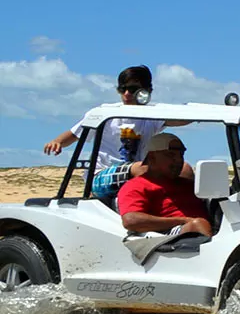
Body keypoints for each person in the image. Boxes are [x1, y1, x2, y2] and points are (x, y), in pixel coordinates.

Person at [41, 66, 182, 198]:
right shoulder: (106, 114)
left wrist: (196, 113)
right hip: (101, 176)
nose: (127, 94)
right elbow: (74, 134)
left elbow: (179, 120)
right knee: (144, 169)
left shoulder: (151, 116)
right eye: (122, 89)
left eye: (133, 89)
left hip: (137, 174)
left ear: (147, 90)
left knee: (184, 169)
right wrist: (57, 142)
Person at [117, 133, 212, 240]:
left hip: (200, 234)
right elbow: (131, 221)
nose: (179, 160)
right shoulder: (136, 186)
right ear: (152, 158)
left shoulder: (189, 185)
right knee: (198, 224)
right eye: (171, 155)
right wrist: (185, 221)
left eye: (181, 154)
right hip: (166, 238)